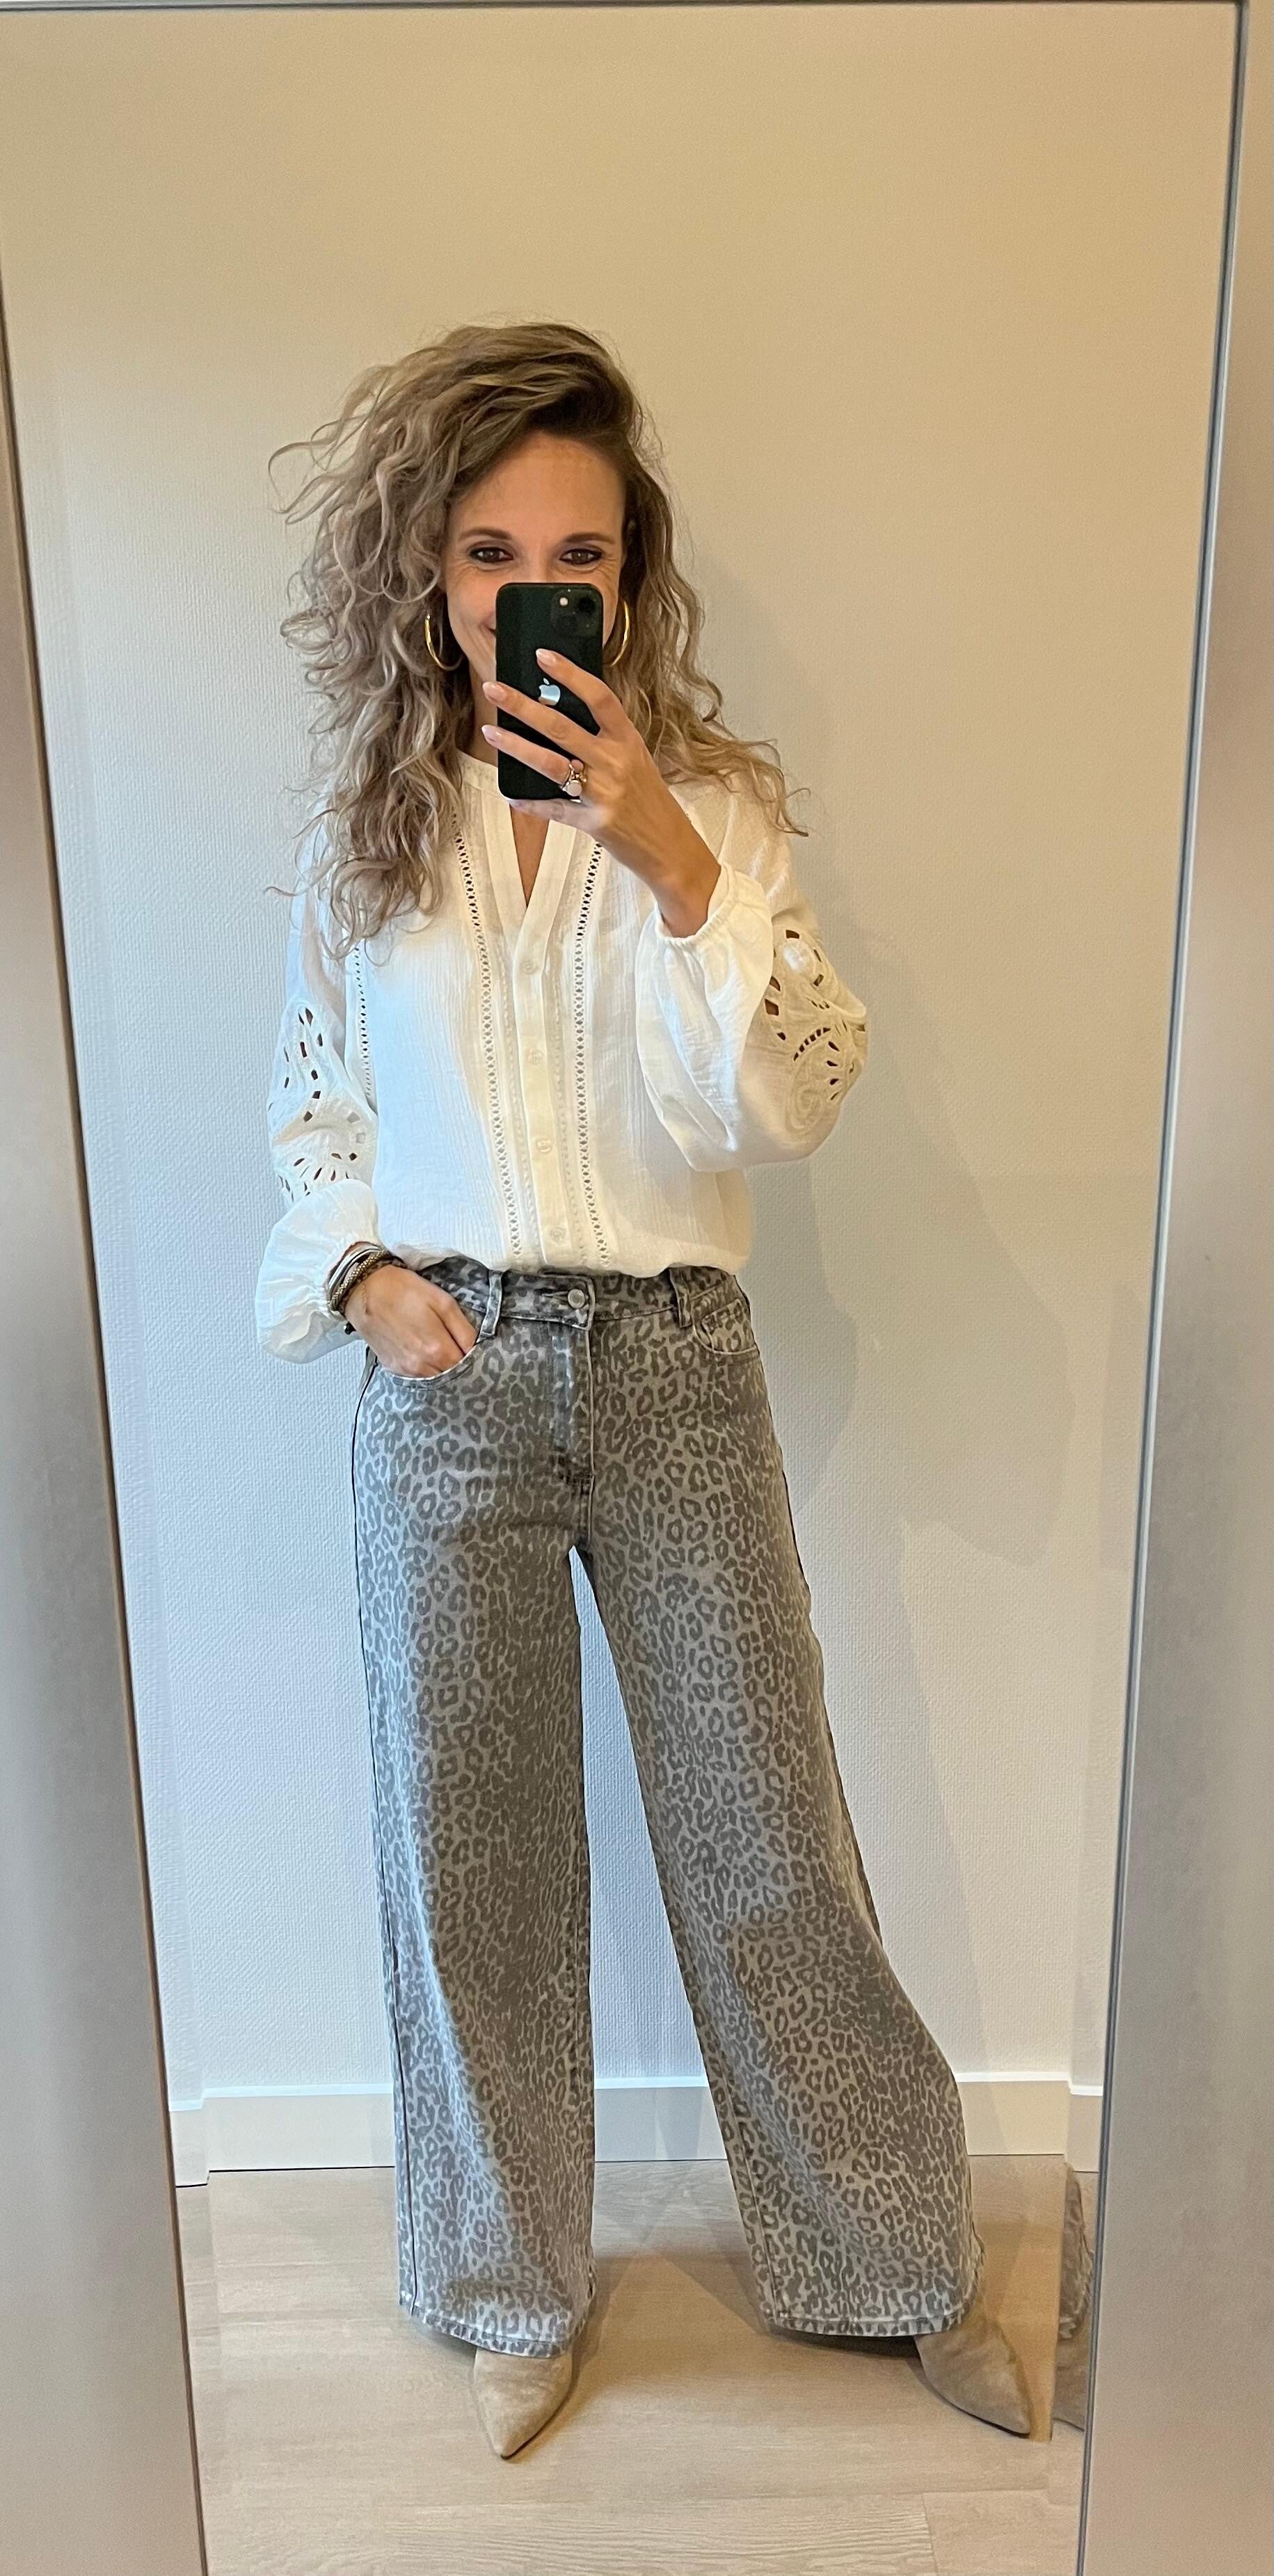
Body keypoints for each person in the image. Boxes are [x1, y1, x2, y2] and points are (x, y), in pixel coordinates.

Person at [254, 320, 1030, 2459]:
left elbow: (790, 1102)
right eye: (490, 553)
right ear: (431, 574)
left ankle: (893, 2262)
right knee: (473, 1851)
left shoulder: (720, 813)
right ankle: (507, 2288)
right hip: (450, 1375)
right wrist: (363, 1277)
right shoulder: (367, 837)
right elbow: (315, 1117)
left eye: (576, 554)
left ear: (633, 569)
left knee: (766, 1826)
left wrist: (671, 855)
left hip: (675, 1359)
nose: (533, 590)